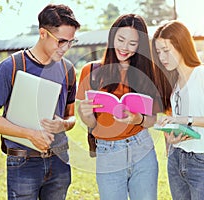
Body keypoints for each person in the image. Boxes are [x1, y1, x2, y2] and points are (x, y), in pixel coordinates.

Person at [0, 4, 80, 200]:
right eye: (61, 41)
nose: (66, 48)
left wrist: (64, 124)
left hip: (59, 161)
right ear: (43, 33)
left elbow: (71, 116)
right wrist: (29, 134)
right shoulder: (11, 67)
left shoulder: (68, 70)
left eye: (71, 42)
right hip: (23, 163)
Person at [76, 14, 160, 200]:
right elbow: (91, 123)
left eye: (132, 43)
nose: (124, 47)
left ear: (140, 45)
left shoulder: (147, 74)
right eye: (120, 39)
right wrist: (85, 113)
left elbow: (153, 119)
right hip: (108, 151)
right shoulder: (91, 72)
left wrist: (138, 119)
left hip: (142, 148)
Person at [151, 20, 204, 200]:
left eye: (166, 51)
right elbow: (177, 121)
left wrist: (186, 119)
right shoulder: (175, 82)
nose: (162, 57)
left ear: (182, 45)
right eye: (158, 52)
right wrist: (170, 138)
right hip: (177, 158)